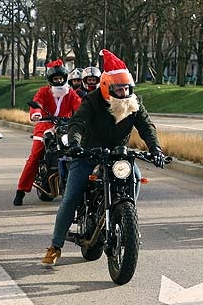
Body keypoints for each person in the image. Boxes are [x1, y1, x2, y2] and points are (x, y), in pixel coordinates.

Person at [41, 64, 166, 267]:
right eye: (119, 89)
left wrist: (156, 149)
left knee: (134, 176)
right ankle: (55, 246)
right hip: (89, 153)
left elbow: (146, 126)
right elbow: (78, 123)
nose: (124, 92)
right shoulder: (92, 101)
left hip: (119, 155)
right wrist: (74, 144)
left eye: (127, 88)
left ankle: (127, 218)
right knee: (71, 196)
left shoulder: (134, 102)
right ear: (107, 87)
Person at [13, 59, 82, 205]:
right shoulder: (43, 91)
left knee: (78, 150)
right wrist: (36, 113)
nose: (58, 81)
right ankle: (21, 190)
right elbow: (37, 103)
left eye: (61, 78)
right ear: (50, 80)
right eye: (55, 78)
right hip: (44, 126)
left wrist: (85, 116)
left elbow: (79, 106)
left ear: (65, 79)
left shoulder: (71, 94)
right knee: (35, 156)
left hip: (65, 127)